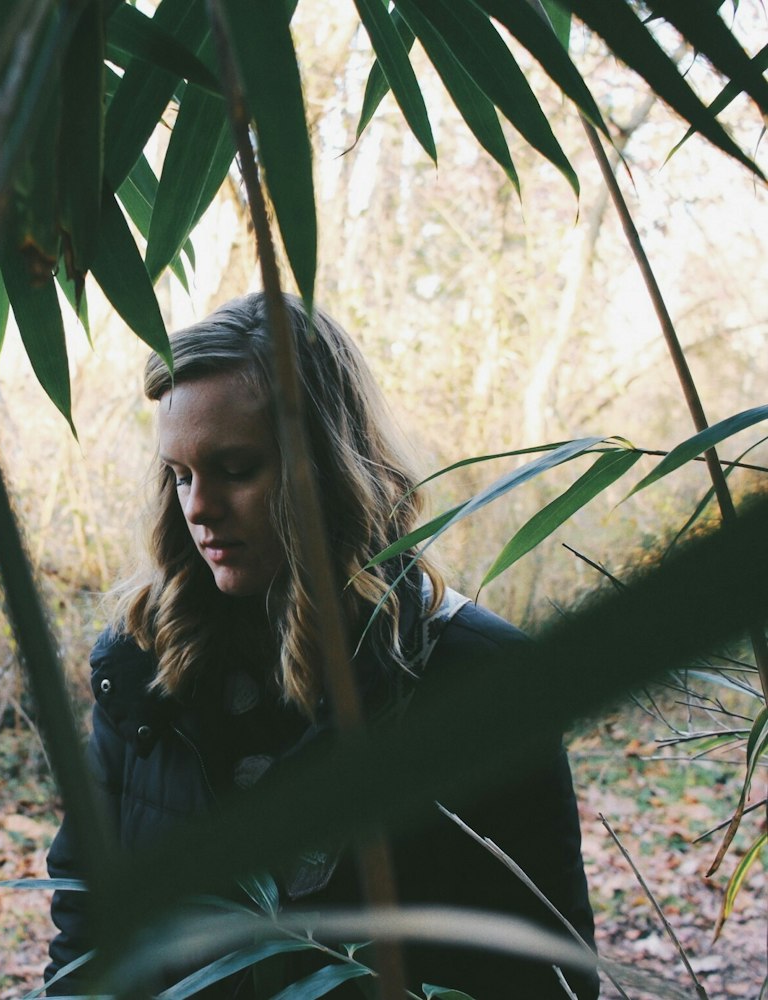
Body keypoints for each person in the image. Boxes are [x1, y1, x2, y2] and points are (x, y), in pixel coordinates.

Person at [45, 292, 598, 998]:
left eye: (237, 469)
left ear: (329, 468)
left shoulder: (476, 678)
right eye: (180, 475)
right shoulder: (144, 664)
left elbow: (546, 976)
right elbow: (87, 929)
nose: (198, 508)